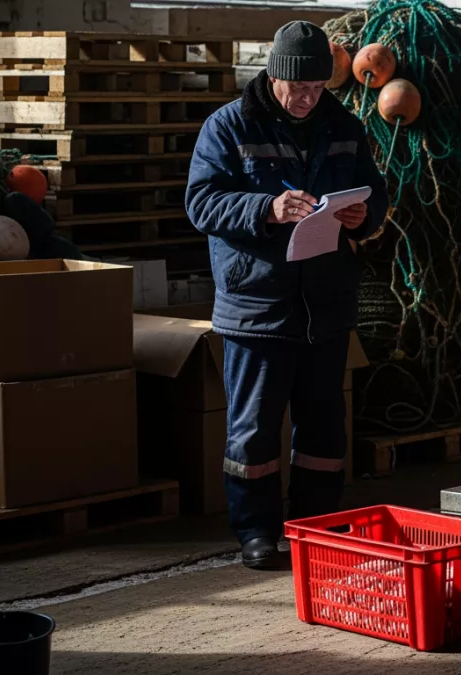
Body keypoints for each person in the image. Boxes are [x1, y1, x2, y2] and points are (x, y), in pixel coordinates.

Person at [186, 20, 388, 570]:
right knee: (253, 428)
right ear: (273, 75)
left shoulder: (344, 125)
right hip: (257, 305)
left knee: (323, 425)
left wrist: (364, 214)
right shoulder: (228, 126)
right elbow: (201, 203)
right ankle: (256, 530)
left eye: (317, 87)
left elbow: (376, 191)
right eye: (298, 87)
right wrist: (266, 209)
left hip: (326, 304)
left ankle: (316, 525)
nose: (307, 98)